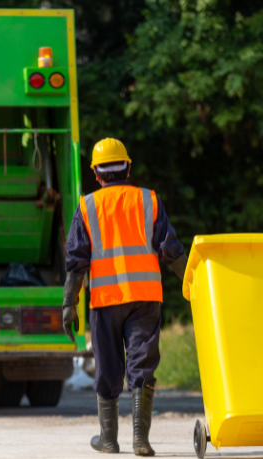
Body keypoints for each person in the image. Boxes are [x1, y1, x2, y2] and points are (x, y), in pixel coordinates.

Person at [62, 138, 187, 456]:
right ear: (128, 168)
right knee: (141, 363)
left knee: (108, 366)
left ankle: (108, 439)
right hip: (145, 297)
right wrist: (191, 284)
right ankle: (140, 440)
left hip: (105, 300)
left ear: (96, 174)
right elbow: (171, 250)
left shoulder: (87, 206)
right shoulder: (149, 200)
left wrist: (68, 304)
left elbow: (77, 261)